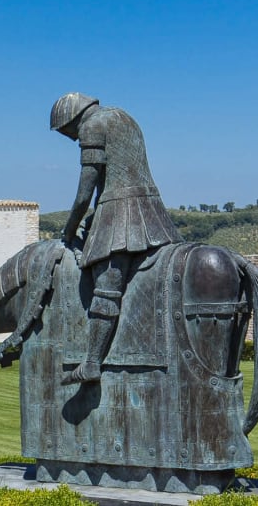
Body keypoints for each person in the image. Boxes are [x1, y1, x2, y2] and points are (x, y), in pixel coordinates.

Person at [50, 93, 182, 384]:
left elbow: (87, 189)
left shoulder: (92, 125)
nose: (71, 138)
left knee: (106, 287)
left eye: (66, 132)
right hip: (150, 209)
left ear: (72, 119)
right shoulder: (124, 116)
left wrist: (69, 228)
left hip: (121, 213)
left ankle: (92, 362)